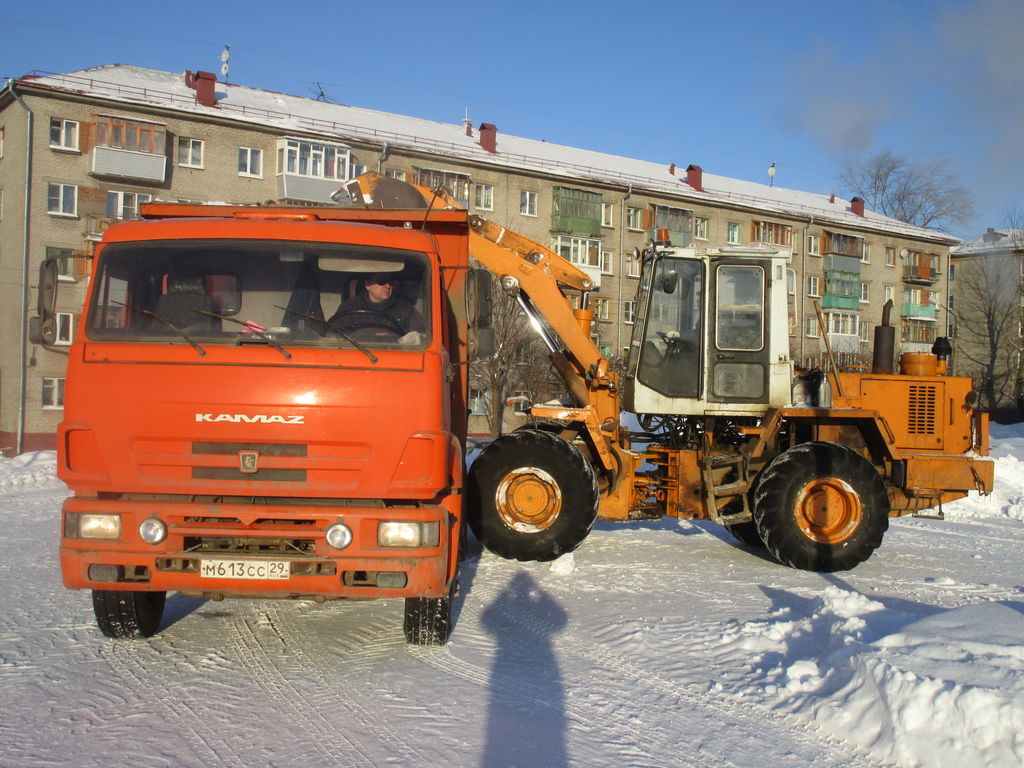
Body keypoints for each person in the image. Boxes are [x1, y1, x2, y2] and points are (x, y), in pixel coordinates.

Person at [328, 272, 426, 339]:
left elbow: (420, 335)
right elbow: (333, 334)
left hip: (394, 357)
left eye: (390, 281)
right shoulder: (350, 307)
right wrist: (369, 336)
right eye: (381, 281)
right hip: (358, 356)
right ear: (368, 285)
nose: (388, 286)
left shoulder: (405, 309)